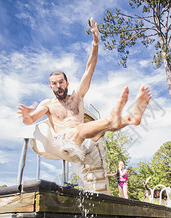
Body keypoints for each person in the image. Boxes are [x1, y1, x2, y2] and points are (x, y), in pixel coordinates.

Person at [17, 18, 152, 164]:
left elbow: (89, 69)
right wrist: (26, 116)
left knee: (100, 130)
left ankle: (131, 119)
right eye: (54, 84)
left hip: (81, 143)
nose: (58, 86)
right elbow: (30, 121)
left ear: (67, 83)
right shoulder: (48, 104)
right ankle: (113, 118)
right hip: (64, 144)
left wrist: (95, 43)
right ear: (51, 87)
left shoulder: (77, 96)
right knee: (85, 129)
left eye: (61, 82)